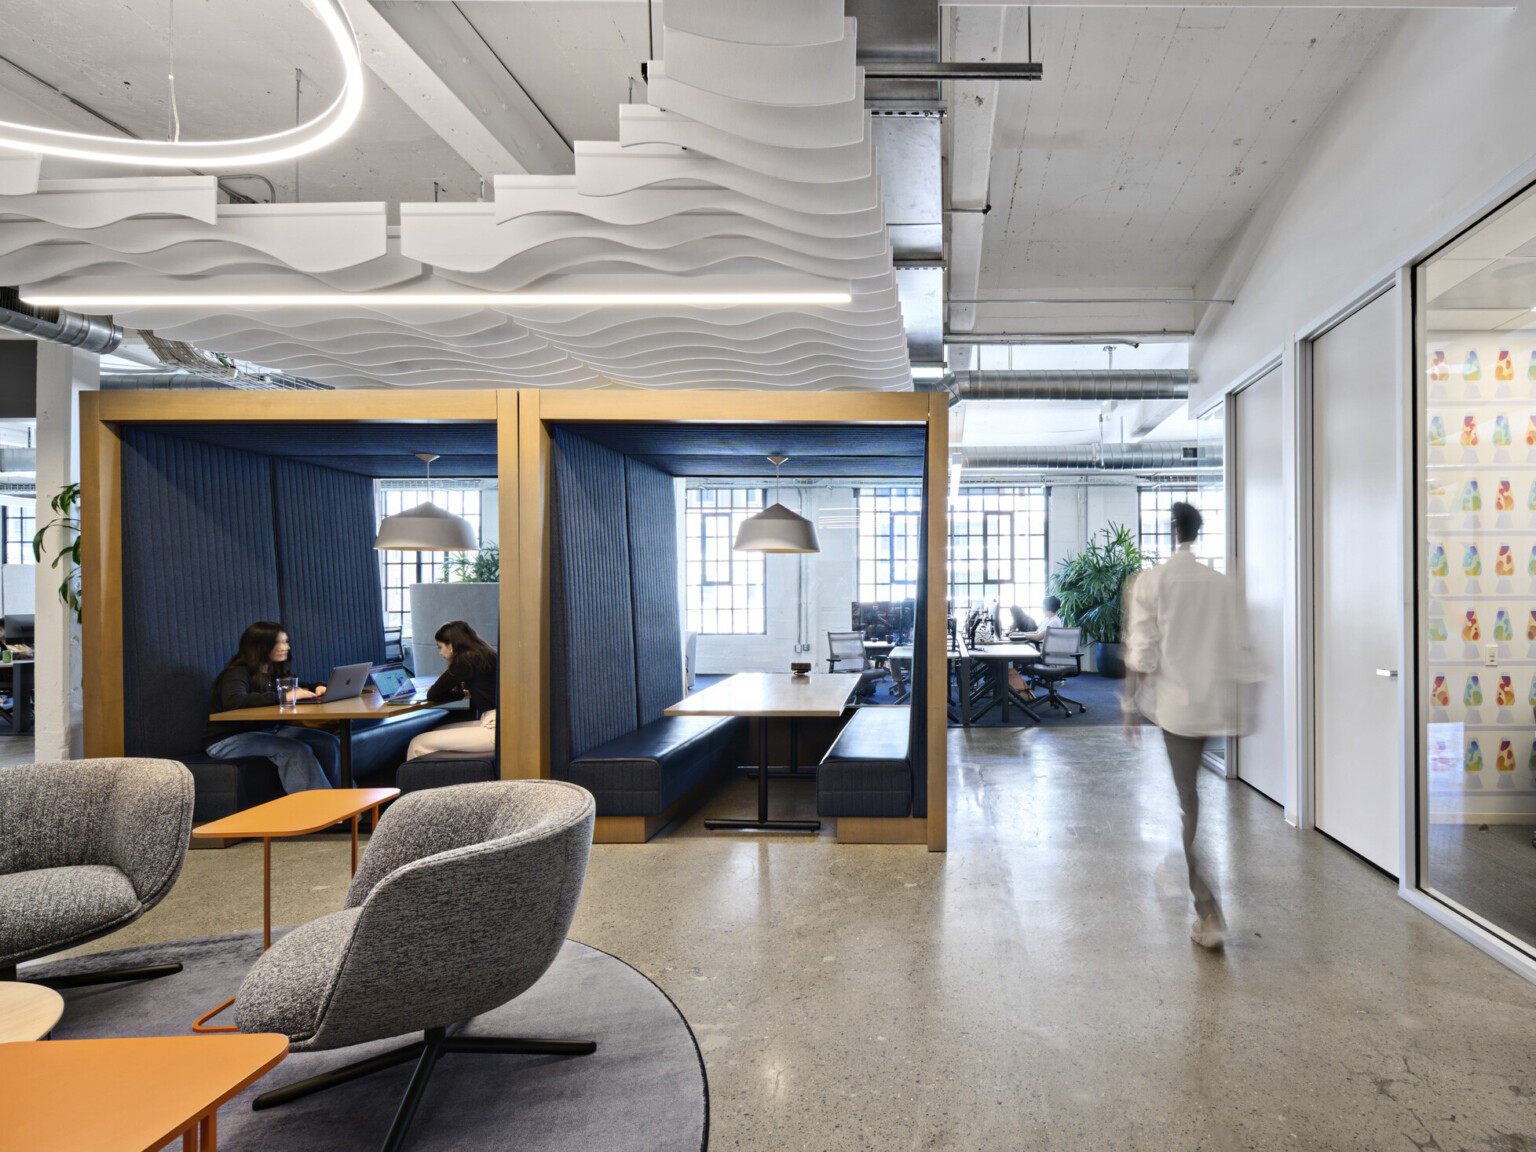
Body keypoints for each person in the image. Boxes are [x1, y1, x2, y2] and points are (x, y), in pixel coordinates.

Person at [1121, 502, 1256, 950]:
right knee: (1190, 799)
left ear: (1173, 529)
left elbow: (1142, 651)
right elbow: (1242, 645)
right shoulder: (1222, 585)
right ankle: (1180, 873)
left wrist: (1128, 703)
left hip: (1178, 709)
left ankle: (1209, 911)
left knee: (1188, 803)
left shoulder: (1154, 581)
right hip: (1215, 704)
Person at [202, 622, 341, 793]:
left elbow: (301, 686)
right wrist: (284, 696)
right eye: (279, 643)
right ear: (259, 646)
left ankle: (349, 805)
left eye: (286, 642)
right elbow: (234, 700)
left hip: (267, 731)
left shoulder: (274, 671)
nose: (286, 647)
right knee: (295, 750)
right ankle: (324, 813)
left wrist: (318, 687)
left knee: (328, 742)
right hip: (226, 740)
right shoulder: (237, 672)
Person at [406, 620, 498, 760]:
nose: (441, 652)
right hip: (497, 722)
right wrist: (461, 693)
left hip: (493, 729)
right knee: (437, 731)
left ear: (452, 645)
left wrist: (459, 694)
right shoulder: (487, 654)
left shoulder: (465, 660)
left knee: (417, 743)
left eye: (440, 647)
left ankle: (414, 782)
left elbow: (433, 694)